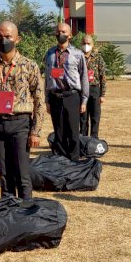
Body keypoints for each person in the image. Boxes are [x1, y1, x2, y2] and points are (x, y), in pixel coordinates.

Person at [0, 21, 44, 199]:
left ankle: (26, 212)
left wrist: (35, 131)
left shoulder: (29, 66)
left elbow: (39, 100)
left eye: (8, 37)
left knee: (22, 174)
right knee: (4, 175)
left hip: (20, 124)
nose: (3, 40)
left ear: (17, 39)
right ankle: (8, 212)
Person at [45, 22, 89, 161]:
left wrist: (84, 100)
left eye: (64, 32)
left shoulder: (77, 54)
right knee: (59, 131)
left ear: (70, 35)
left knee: (73, 131)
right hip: (55, 96)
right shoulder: (50, 53)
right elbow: (47, 77)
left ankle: (74, 160)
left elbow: (84, 77)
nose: (60, 34)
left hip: (72, 96)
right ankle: (60, 160)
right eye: (58, 32)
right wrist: (47, 100)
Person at [79, 35, 106, 138]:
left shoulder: (98, 58)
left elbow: (102, 76)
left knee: (95, 117)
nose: (86, 45)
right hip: (81, 91)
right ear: (81, 44)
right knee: (83, 117)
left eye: (88, 43)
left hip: (94, 89)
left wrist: (102, 94)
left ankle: (94, 140)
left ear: (93, 45)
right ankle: (83, 139)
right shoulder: (78, 56)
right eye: (84, 43)